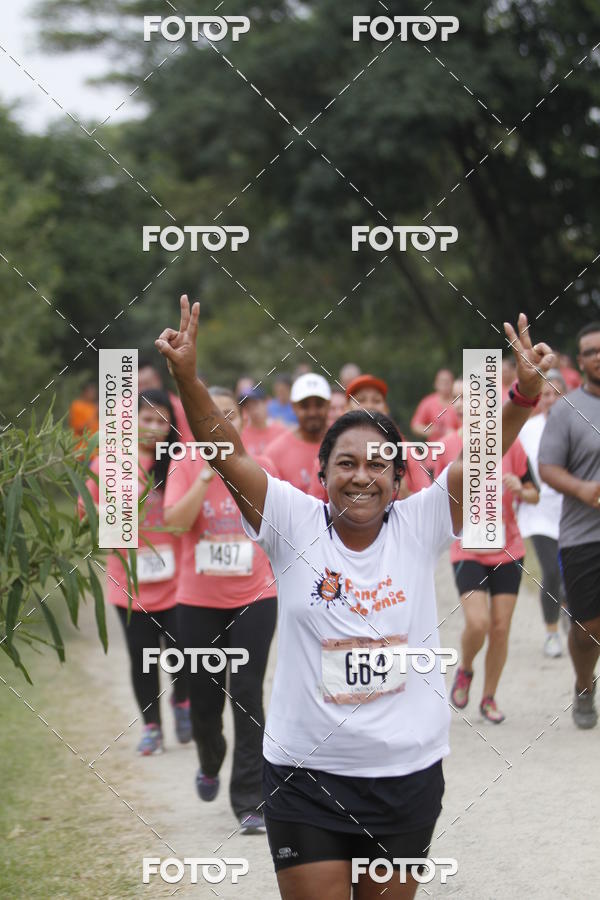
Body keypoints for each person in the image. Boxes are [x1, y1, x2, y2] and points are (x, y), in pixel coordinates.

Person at [156, 297, 553, 898]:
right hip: (303, 775)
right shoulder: (291, 520)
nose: (361, 474)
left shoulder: (421, 524)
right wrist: (187, 377)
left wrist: (521, 397)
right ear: (322, 473)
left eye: (378, 464)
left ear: (399, 479)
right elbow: (227, 452)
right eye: (345, 463)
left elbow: (478, 457)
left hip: (406, 774)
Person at [163, 386, 277, 833]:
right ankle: (210, 759)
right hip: (198, 601)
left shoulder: (260, 467)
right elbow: (173, 522)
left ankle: (250, 799)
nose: (220, 424)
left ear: (241, 422)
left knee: (248, 694)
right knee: (206, 703)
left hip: (255, 596)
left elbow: (278, 524)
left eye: (228, 415)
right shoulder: (185, 462)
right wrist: (208, 475)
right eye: (211, 416)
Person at [82, 389, 190, 755]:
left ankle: (182, 703)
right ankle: (152, 728)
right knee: (141, 658)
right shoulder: (108, 463)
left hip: (177, 581)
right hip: (128, 583)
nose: (153, 428)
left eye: (161, 421)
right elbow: (86, 512)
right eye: (146, 419)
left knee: (183, 652)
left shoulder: (177, 461)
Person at [449, 434, 539, 723]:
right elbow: (432, 494)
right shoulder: (452, 444)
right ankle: (466, 668)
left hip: (508, 550)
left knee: (500, 628)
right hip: (468, 549)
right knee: (478, 623)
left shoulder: (513, 445)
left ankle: (489, 698)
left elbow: (534, 492)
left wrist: (522, 491)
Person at [539, 322, 600, 729]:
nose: (598, 356)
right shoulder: (566, 410)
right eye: (590, 351)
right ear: (580, 361)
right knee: (587, 629)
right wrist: (584, 489)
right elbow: (546, 468)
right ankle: (583, 684)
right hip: (583, 536)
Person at [517, 371, 568, 657]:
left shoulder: (579, 426)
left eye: (557, 393)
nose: (551, 400)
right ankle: (551, 634)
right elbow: (514, 464)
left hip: (572, 511)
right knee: (550, 570)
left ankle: (567, 609)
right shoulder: (528, 429)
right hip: (537, 511)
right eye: (546, 394)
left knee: (573, 572)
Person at [266, 373, 330, 492]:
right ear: (294, 407)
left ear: (328, 405)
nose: (312, 412)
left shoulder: (343, 442)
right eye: (305, 406)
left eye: (319, 405)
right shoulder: (275, 453)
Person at [138, 355, 194, 442]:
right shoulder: (120, 408)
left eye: (147, 384)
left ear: (157, 379)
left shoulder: (179, 407)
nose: (143, 390)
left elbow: (187, 442)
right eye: (138, 386)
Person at [410, 368, 459, 441]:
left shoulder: (459, 403)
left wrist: (454, 434)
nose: (444, 385)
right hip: (434, 448)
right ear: (436, 384)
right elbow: (415, 426)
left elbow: (468, 428)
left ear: (453, 384)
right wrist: (428, 431)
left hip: (456, 448)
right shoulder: (428, 402)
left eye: (447, 382)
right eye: (442, 382)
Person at [240, 386, 286, 455]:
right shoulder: (241, 435)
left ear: (266, 402)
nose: (253, 410)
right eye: (248, 407)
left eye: (255, 404)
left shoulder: (281, 431)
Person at [69, 380, 99, 456]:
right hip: (81, 453)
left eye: (94, 392)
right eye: (90, 392)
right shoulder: (77, 406)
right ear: (84, 392)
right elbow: (78, 428)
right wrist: (95, 414)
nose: (93, 394)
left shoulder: (93, 407)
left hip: (96, 454)